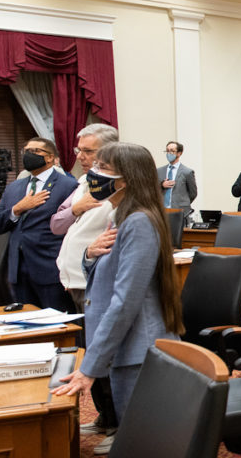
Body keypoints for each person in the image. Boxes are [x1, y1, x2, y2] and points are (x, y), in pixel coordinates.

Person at [53, 142, 184, 432]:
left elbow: (125, 300)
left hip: (140, 351)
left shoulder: (138, 222)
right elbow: (106, 275)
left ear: (125, 180)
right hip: (129, 349)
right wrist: (89, 254)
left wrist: (90, 367)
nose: (93, 173)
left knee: (145, 443)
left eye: (102, 167)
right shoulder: (120, 217)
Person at [50, 123, 120, 452]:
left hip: (94, 280)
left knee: (103, 352)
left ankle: (119, 424)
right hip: (76, 280)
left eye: (88, 151)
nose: (81, 156)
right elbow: (57, 222)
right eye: (80, 151)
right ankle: (105, 416)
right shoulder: (83, 182)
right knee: (88, 352)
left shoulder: (118, 187)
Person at [0, 137, 76, 310]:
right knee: (27, 328)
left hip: (51, 268)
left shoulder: (68, 186)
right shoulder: (15, 187)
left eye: (35, 151)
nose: (28, 155)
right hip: (18, 270)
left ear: (50, 157)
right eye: (26, 151)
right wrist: (17, 209)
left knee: (59, 326)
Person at [156, 140, 197, 222]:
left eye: (172, 151)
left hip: (180, 211)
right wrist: (161, 185)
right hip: (163, 211)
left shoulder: (187, 172)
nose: (169, 153)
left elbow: (193, 193)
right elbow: (153, 190)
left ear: (179, 153)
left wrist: (182, 201)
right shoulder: (159, 171)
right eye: (167, 151)